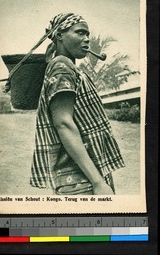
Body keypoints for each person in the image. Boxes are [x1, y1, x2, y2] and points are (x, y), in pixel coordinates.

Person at [30, 13, 125, 195]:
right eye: (80, 33)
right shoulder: (62, 67)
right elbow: (63, 123)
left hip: (84, 173)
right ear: (59, 35)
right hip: (81, 179)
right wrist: (97, 182)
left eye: (87, 34)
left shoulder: (68, 67)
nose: (87, 39)